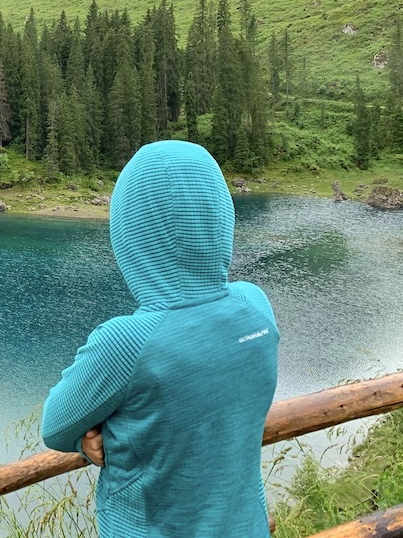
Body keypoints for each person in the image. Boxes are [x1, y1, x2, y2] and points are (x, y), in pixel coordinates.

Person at [42, 140, 278, 537]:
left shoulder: (125, 341)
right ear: (220, 218)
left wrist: (89, 442)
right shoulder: (255, 305)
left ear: (131, 235)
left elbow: (55, 427)